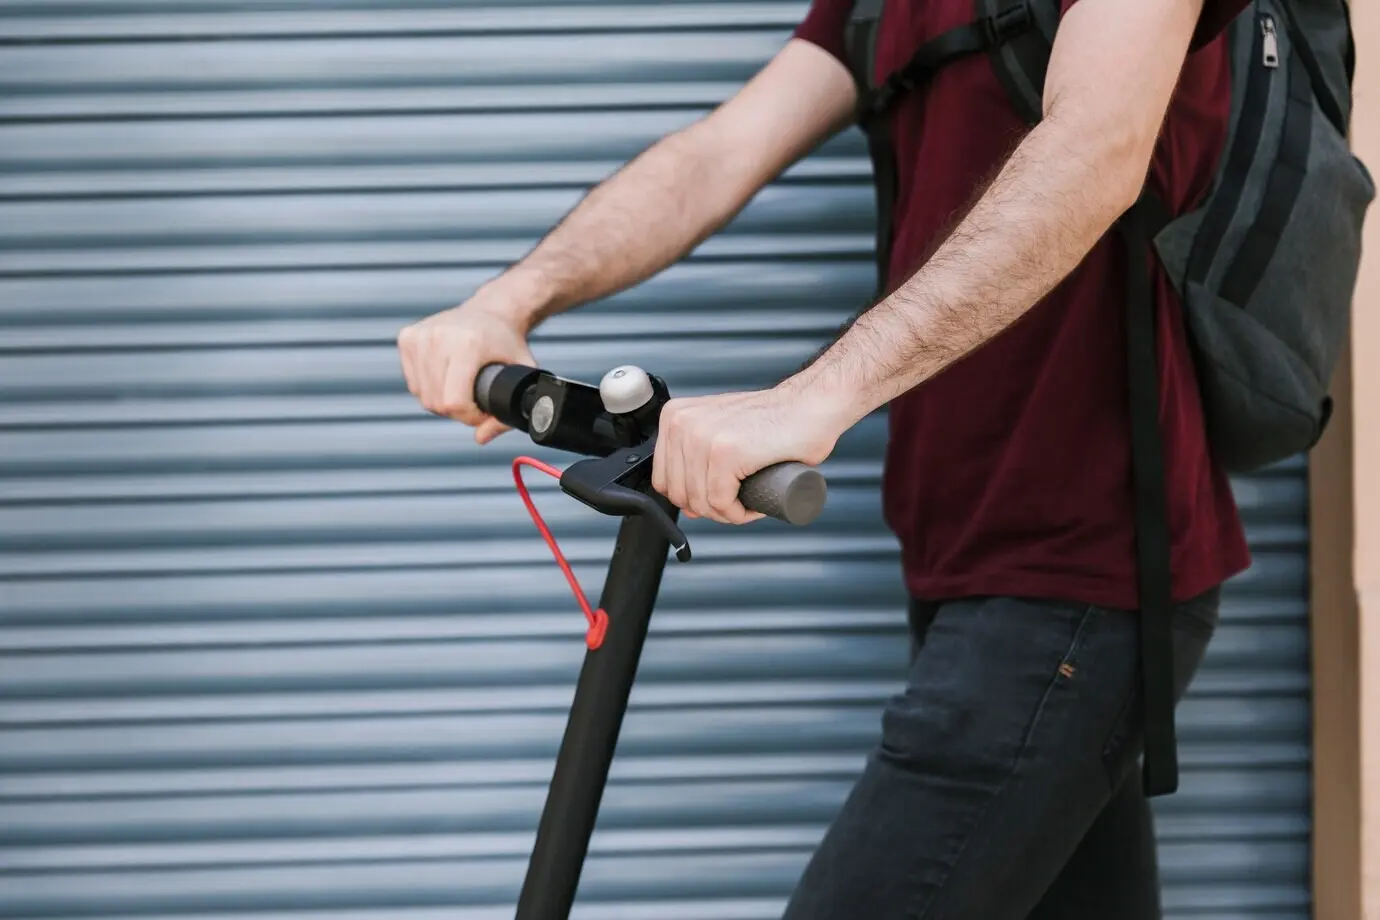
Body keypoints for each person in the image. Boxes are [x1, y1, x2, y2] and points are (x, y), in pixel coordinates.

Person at [397, 0, 1254, 914]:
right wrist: (514, 299)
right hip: (963, 563)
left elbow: (1097, 149)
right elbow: (719, 153)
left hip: (1084, 578)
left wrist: (813, 397)